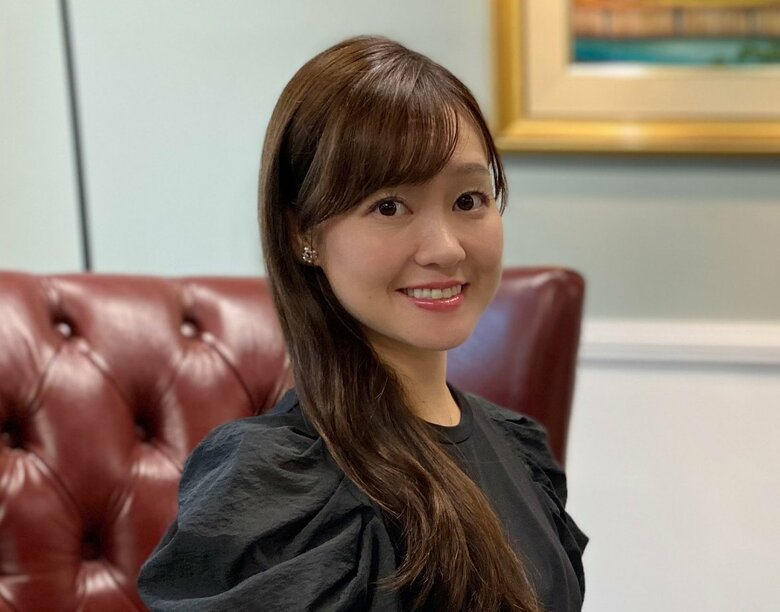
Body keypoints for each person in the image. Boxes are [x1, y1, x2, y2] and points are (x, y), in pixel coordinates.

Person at [137, 36, 587, 612]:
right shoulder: (276, 491)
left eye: (469, 200)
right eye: (389, 207)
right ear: (302, 233)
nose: (445, 249)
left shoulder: (521, 451)